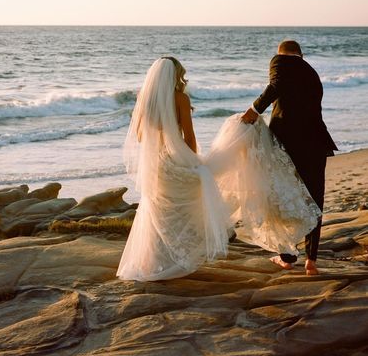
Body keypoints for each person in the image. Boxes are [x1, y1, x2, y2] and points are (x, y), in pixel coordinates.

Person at [117, 56, 321, 282]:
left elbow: (139, 135)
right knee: (197, 194)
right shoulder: (180, 98)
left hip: (156, 164)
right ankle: (178, 259)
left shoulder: (144, 99)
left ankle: (150, 262)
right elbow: (190, 137)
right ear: (175, 75)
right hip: (176, 160)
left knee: (159, 210)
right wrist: (191, 160)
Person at [242, 40, 337, 275]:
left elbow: (276, 85)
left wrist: (254, 111)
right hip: (316, 143)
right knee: (314, 199)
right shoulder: (312, 73)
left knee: (284, 195)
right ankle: (311, 261)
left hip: (289, 144)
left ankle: (287, 257)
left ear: (281, 53)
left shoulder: (280, 62)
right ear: (301, 54)